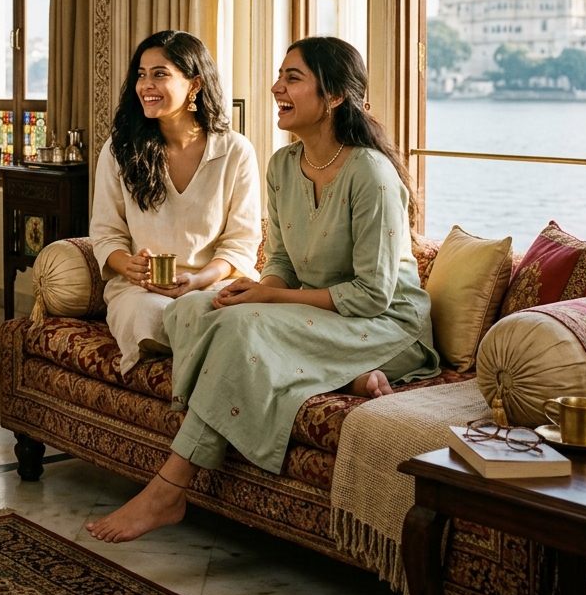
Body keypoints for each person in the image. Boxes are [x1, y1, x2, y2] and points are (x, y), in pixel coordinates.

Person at [88, 36, 439, 543]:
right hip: (322, 317)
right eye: (280, 76)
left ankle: (168, 489)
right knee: (192, 311)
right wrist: (258, 287)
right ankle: (343, 376)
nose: (276, 87)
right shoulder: (283, 166)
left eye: (292, 78)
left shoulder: (372, 175)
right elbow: (279, 261)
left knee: (236, 332)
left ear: (334, 95)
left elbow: (371, 297)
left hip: (384, 327)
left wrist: (268, 297)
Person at [91, 30, 262, 375]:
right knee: (148, 317)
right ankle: (215, 353)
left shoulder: (235, 151)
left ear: (195, 84)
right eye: (141, 75)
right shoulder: (119, 149)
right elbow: (105, 231)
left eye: (160, 74)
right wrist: (128, 265)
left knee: (240, 316)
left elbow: (241, 242)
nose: (146, 86)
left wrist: (198, 282)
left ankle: (211, 351)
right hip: (141, 292)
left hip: (212, 285)